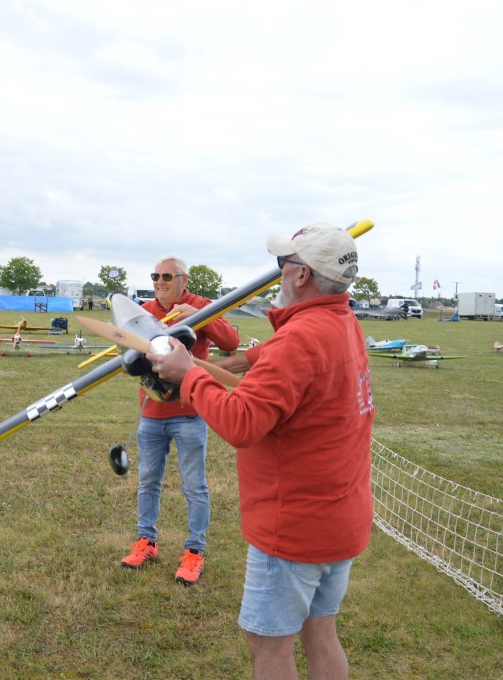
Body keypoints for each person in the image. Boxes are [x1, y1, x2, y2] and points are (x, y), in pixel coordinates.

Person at [148, 224, 374, 678]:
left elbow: (241, 422)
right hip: (340, 517)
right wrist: (217, 364)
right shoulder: (341, 322)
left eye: (282, 265)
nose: (279, 275)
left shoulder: (300, 339)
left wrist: (187, 375)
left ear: (302, 276)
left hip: (294, 528)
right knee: (321, 633)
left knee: (269, 646)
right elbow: (279, 357)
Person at [119, 255, 240, 586]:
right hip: (150, 414)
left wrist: (198, 317)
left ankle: (194, 552)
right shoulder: (142, 311)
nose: (160, 281)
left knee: (195, 487)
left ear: (184, 281)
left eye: (168, 276)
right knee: (148, 482)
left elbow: (231, 343)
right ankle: (147, 542)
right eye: (156, 275)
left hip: (189, 414)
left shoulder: (201, 304)